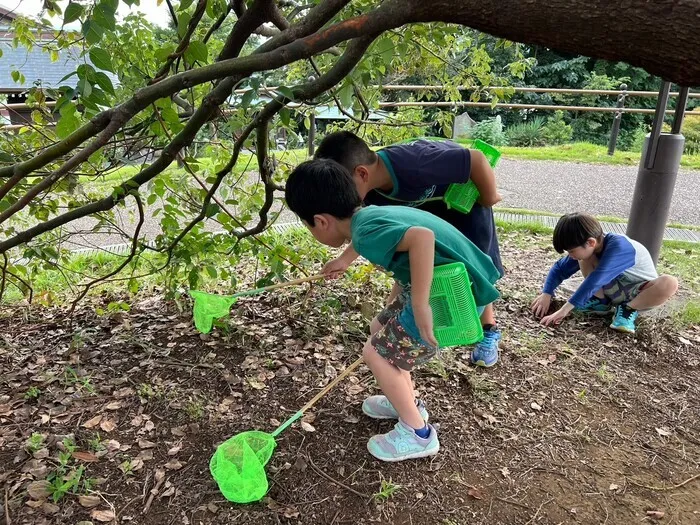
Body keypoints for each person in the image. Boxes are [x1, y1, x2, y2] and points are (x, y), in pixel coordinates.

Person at [285, 158, 501, 462]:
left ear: (321, 221)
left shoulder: (365, 233)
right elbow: (392, 236)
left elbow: (421, 239)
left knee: (375, 352)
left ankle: (418, 433)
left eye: (309, 226)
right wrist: (345, 260)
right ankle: (406, 402)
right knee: (379, 328)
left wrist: (419, 304)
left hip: (454, 294)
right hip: (453, 281)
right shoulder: (366, 217)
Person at [315, 131, 504, 367]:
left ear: (361, 173)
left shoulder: (412, 164)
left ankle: (488, 329)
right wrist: (345, 259)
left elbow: (476, 160)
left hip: (465, 210)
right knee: (414, 264)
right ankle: (398, 328)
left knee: (474, 273)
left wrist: (489, 197)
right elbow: (379, 230)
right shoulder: (368, 194)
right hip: (422, 224)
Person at [531, 212, 678, 334]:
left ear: (591, 242)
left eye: (571, 250)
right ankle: (600, 302)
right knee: (584, 258)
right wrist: (546, 294)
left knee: (670, 283)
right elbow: (559, 269)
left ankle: (628, 309)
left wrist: (564, 311)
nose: (570, 255)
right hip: (610, 291)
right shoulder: (589, 248)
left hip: (639, 293)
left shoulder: (620, 247)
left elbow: (596, 279)